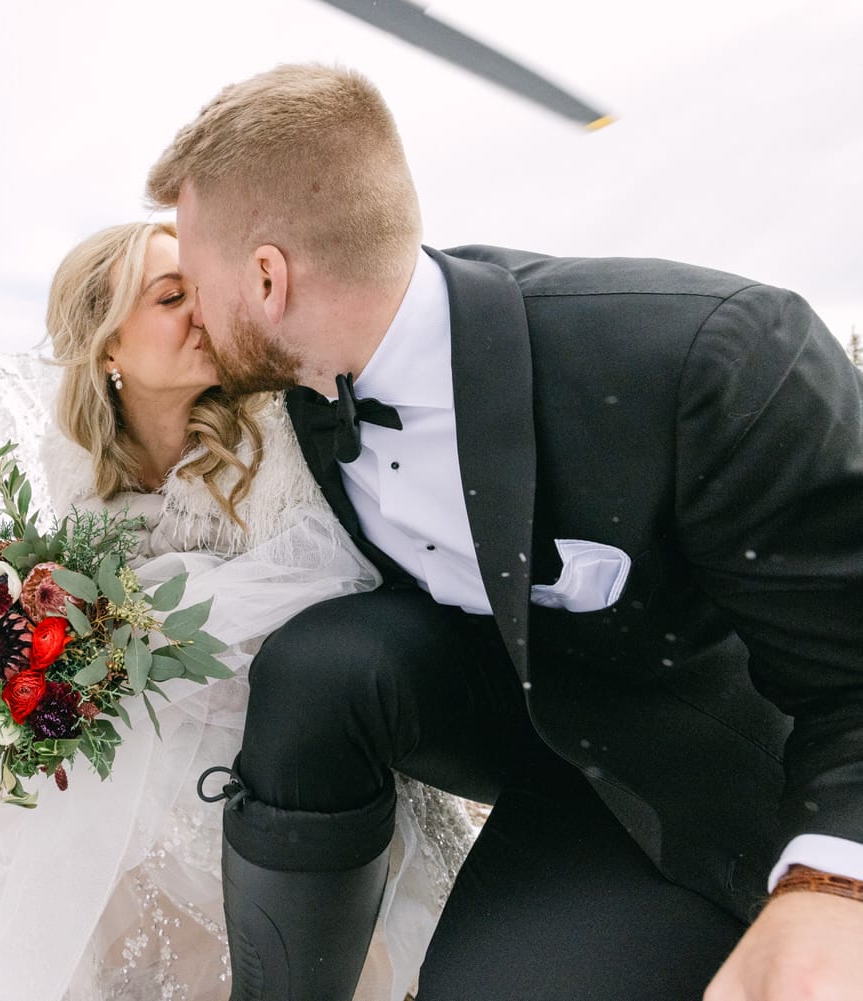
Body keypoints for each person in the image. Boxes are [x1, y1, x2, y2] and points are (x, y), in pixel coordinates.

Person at [144, 63, 863, 1001]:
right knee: (317, 664)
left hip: (686, 762)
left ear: (270, 279)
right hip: (508, 704)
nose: (193, 313)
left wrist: (830, 881)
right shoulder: (313, 385)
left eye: (194, 282)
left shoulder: (708, 363)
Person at [0, 221, 477, 1001]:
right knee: (44, 762)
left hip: (298, 722)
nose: (204, 313)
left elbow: (331, 570)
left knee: (143, 741)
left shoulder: (275, 423)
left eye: (201, 291)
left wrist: (131, 623)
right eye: (172, 298)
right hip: (162, 711)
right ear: (108, 349)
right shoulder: (82, 466)